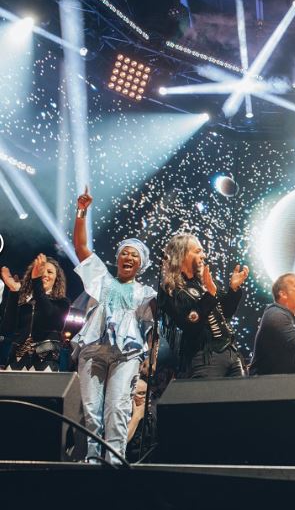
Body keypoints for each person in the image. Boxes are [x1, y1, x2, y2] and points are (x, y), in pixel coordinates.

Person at [72, 187, 156, 464]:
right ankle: (93, 462)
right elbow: (82, 249)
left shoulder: (146, 293)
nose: (128, 258)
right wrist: (82, 212)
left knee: (117, 408)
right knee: (91, 409)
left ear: (140, 264)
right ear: (118, 258)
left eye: (134, 256)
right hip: (94, 350)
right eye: (124, 253)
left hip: (126, 355)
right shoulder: (102, 279)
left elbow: (156, 325)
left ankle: (114, 462)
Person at [158, 233, 249, 378]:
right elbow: (190, 325)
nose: (204, 255)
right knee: (209, 399)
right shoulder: (172, 289)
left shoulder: (204, 282)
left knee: (239, 398)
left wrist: (233, 290)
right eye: (197, 251)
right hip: (206, 357)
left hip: (230, 352)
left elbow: (226, 313)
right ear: (182, 255)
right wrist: (210, 295)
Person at [1, 254, 69, 371]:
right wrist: (14, 292)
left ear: (56, 279)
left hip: (45, 362)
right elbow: (7, 329)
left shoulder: (62, 302)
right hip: (16, 362)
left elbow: (48, 315)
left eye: (50, 272)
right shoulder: (24, 302)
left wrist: (37, 282)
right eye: (41, 271)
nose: (45, 275)